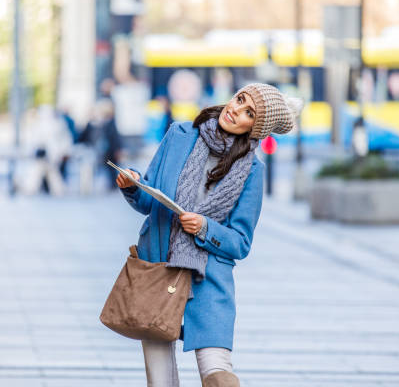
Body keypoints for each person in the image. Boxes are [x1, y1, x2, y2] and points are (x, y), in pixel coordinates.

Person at [115, 83, 302, 386]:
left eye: (249, 113)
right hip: (158, 271)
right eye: (240, 99)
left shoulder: (252, 170)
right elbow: (151, 200)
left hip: (208, 280)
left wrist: (204, 228)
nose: (236, 110)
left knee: (218, 374)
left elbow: (240, 242)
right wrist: (133, 186)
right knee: (159, 380)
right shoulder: (179, 135)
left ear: (255, 128)